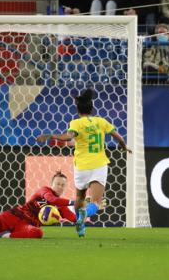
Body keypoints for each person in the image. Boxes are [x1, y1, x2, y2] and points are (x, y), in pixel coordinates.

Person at [37, 89, 132, 238]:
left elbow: (68, 137)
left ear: (78, 109)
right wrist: (124, 147)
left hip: (81, 166)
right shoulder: (101, 121)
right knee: (96, 201)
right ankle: (85, 214)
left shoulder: (76, 123)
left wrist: (51, 135)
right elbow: (118, 137)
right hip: (99, 164)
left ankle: (79, 226)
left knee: (80, 198)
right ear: (92, 108)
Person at [0, 171, 76, 239]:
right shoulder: (44, 190)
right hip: (14, 215)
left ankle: (3, 235)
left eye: (63, 185)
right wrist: (72, 202)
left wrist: (82, 212)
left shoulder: (61, 205)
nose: (60, 187)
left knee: (37, 233)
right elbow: (51, 199)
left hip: (28, 225)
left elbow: (73, 218)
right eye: (57, 184)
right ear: (51, 184)